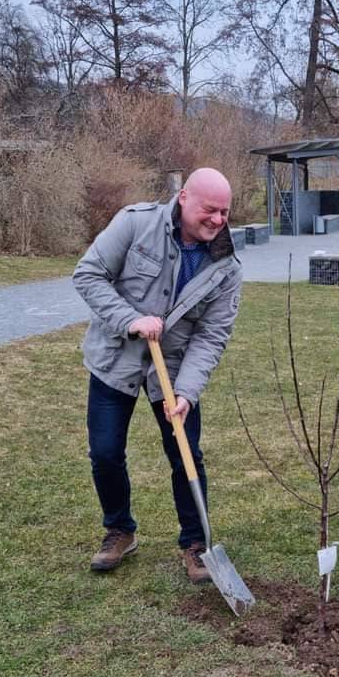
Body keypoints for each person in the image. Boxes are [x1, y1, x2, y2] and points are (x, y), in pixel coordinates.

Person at [73, 168, 242, 584]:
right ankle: (120, 530)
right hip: (116, 361)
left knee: (186, 454)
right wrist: (131, 319)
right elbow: (88, 275)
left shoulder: (226, 267)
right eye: (209, 209)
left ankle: (195, 544)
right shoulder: (135, 222)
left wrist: (186, 391)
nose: (218, 220)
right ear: (184, 198)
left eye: (224, 212)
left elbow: (212, 335)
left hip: (175, 369)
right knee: (106, 452)